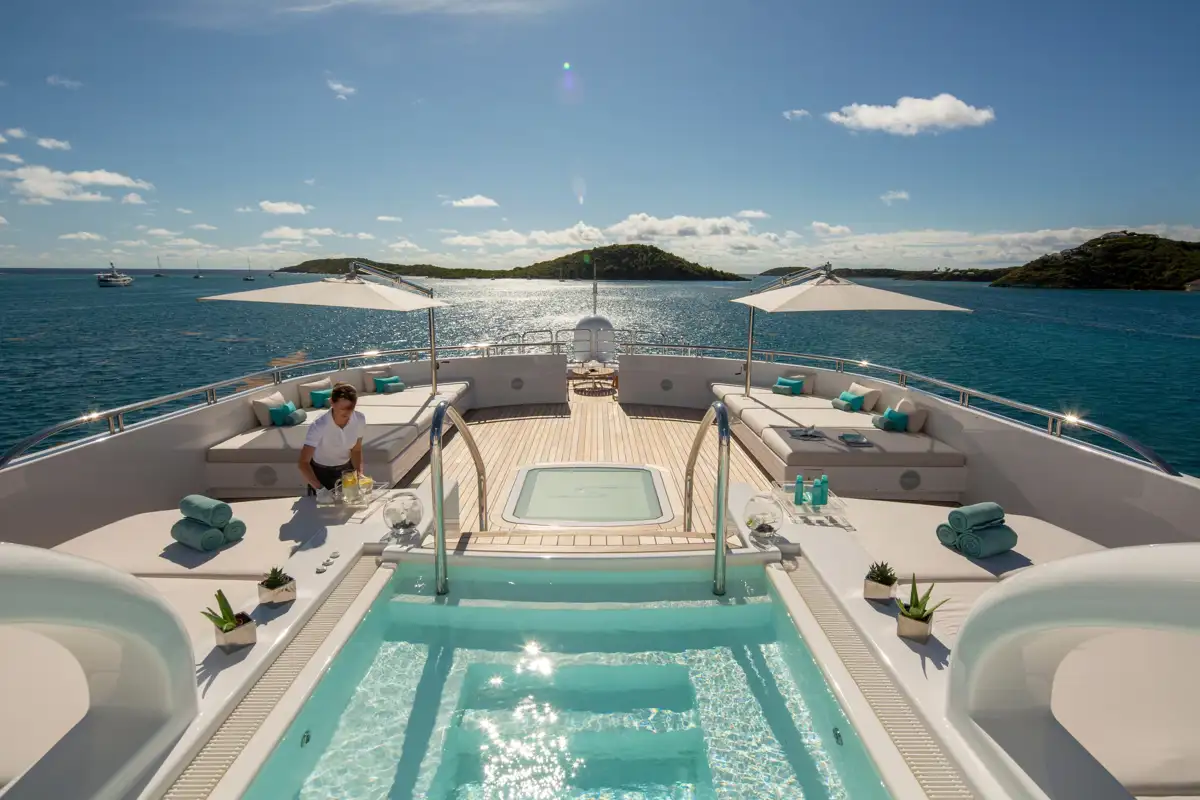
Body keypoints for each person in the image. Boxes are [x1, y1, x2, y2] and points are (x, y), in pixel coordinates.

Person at [298, 383, 366, 495]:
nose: (347, 412)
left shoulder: (360, 419)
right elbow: (303, 463)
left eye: (351, 408)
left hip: (347, 471)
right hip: (320, 474)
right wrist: (320, 489)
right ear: (331, 403)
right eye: (343, 408)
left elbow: (356, 450)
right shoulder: (319, 425)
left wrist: (359, 474)